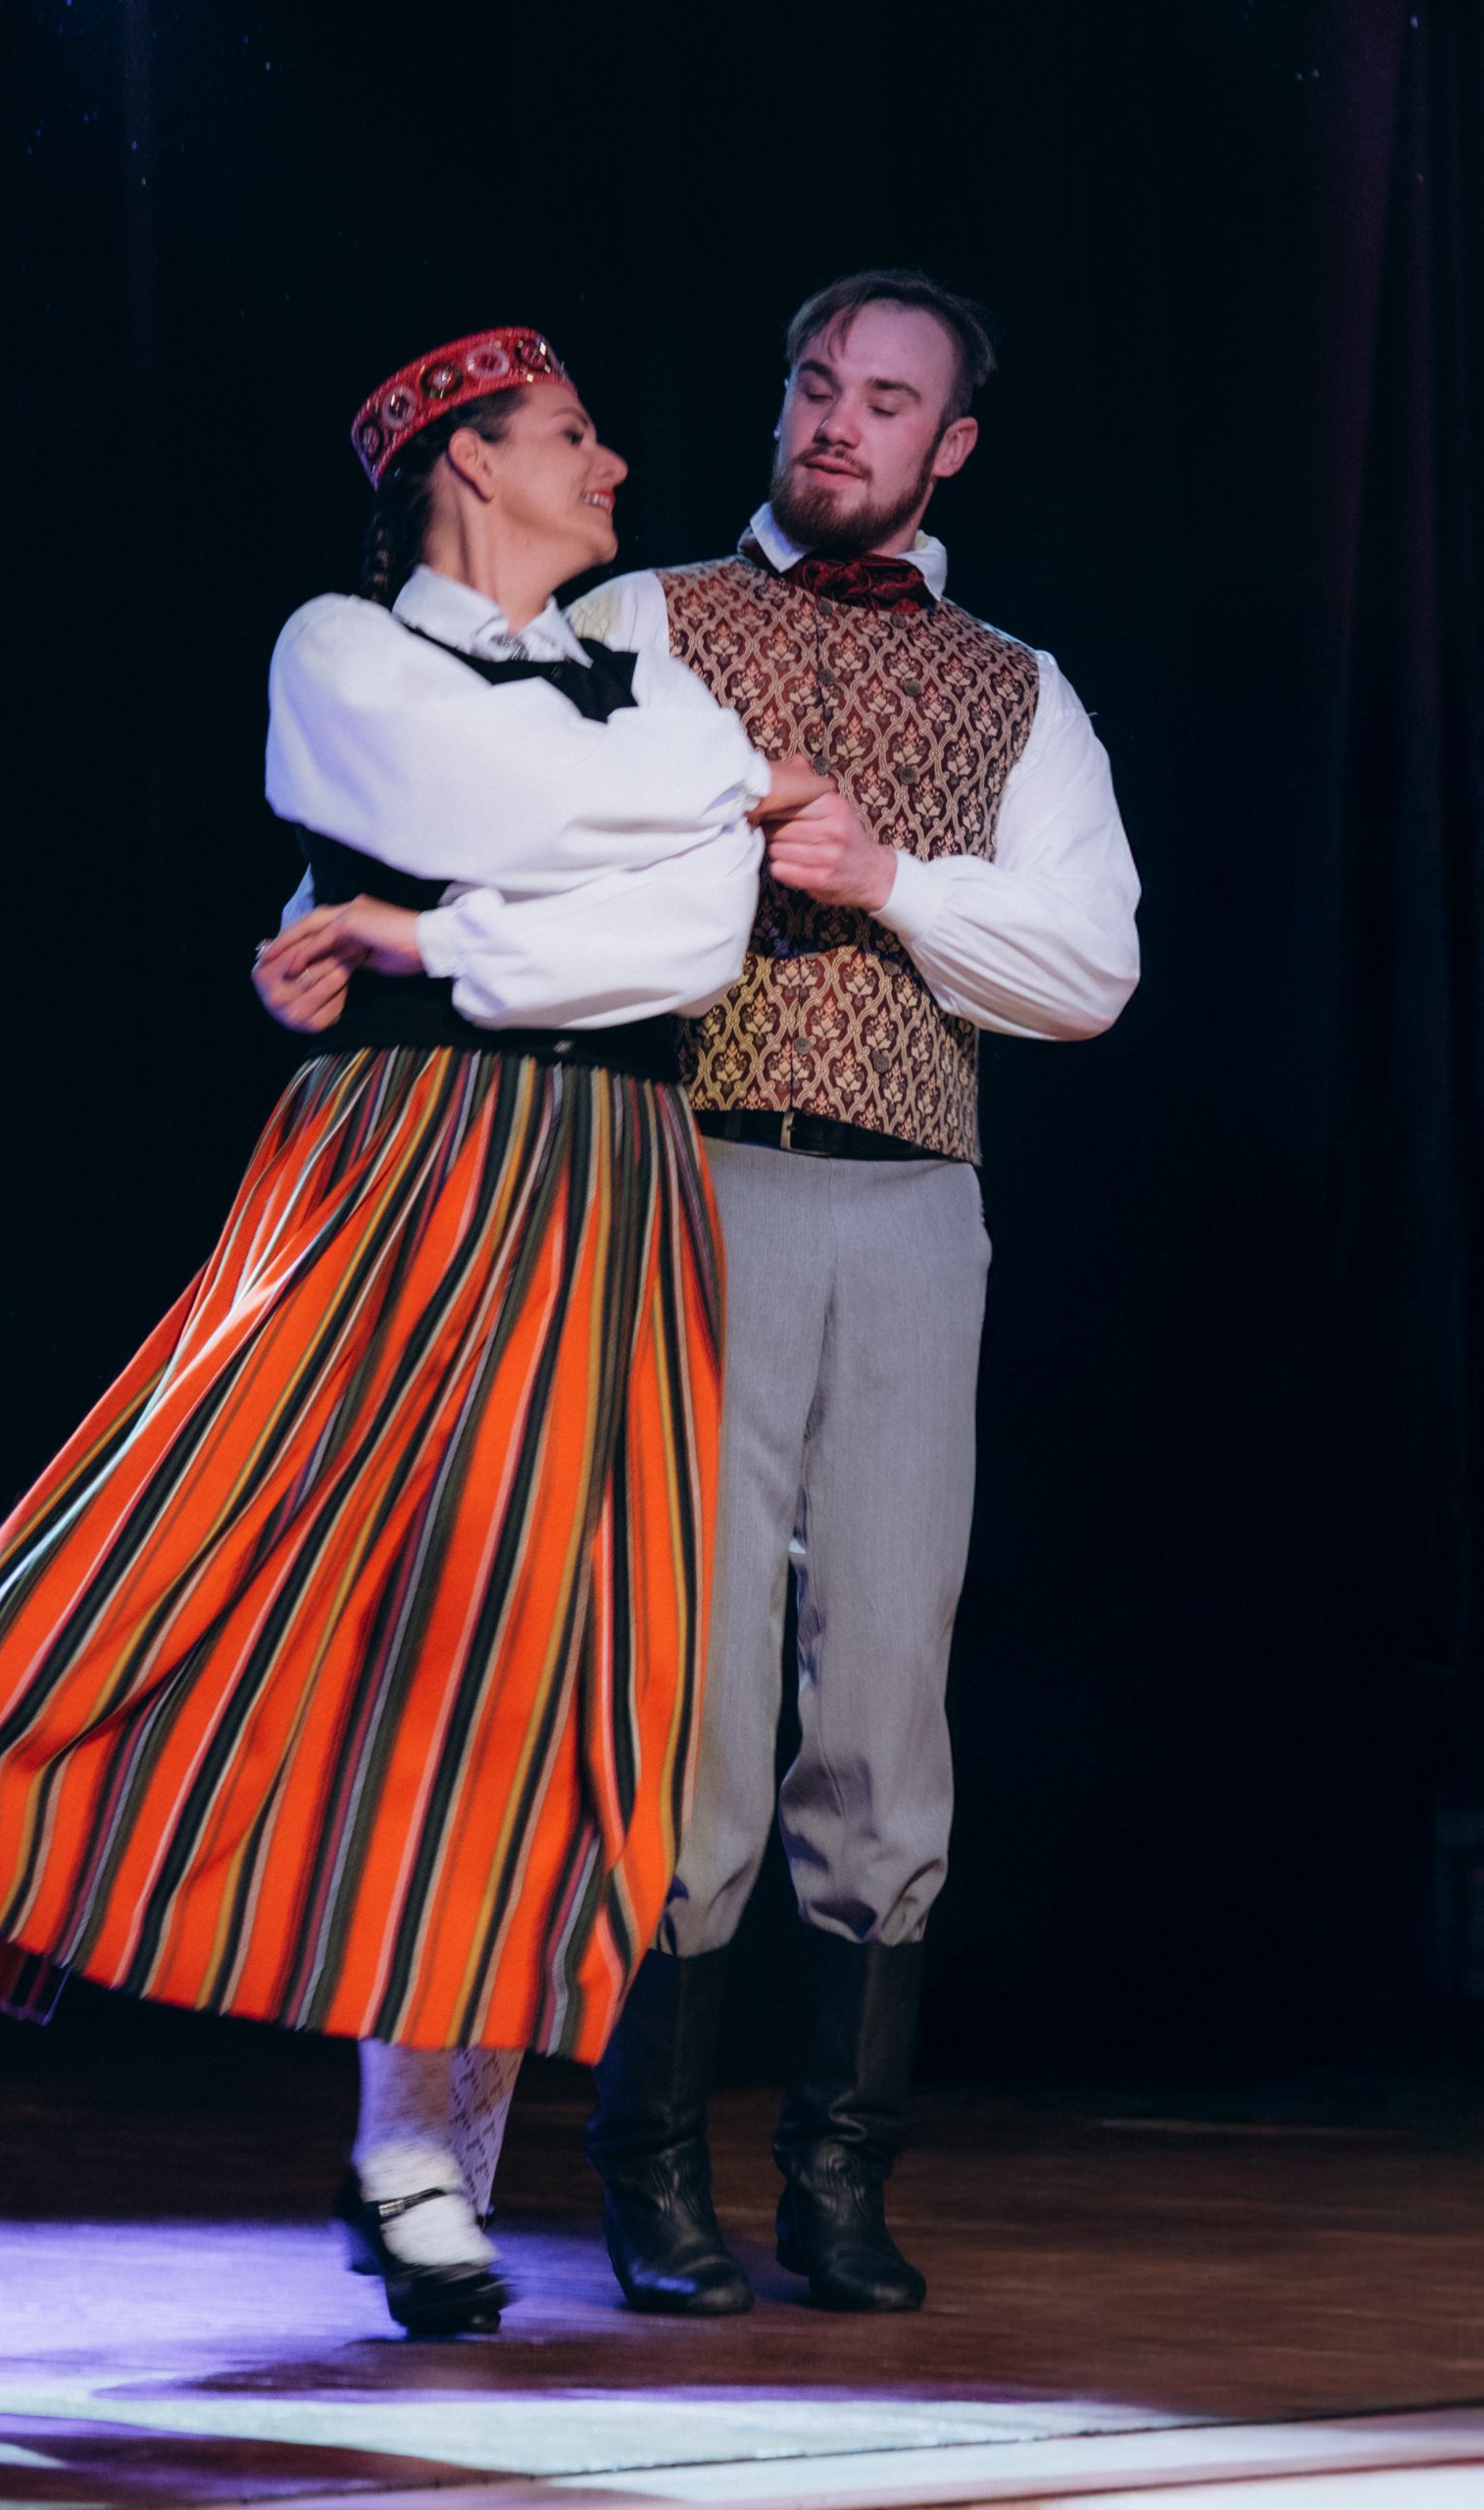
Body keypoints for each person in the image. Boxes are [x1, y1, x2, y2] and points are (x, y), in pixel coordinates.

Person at [0, 325, 825, 2337]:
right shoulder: (343, 651)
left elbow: (697, 935)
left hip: (614, 1172)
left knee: (533, 1629)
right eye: (571, 436)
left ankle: (421, 2158)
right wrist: (681, 819)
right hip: (412, 1151)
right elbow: (526, 811)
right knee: (245, 1522)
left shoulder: (649, 675)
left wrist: (426, 932)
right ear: (469, 462)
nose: (615, 467)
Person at [563, 271, 1142, 2317]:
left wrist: (890, 879)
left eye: (888, 400)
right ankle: (649, 2167)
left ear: (948, 446)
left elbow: (1090, 968)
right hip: (693, 1178)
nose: (839, 421)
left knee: (884, 1691)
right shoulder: (644, 620)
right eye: (818, 383)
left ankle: (836, 2175)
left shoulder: (1018, 688)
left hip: (911, 1207)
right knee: (697, 1689)